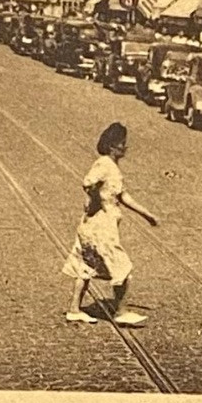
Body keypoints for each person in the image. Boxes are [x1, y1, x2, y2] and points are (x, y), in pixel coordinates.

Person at [61, 122, 159, 327]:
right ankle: (121, 311)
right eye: (123, 144)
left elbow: (122, 195)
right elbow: (88, 183)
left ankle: (74, 310)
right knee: (122, 266)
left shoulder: (111, 166)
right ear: (113, 146)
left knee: (85, 267)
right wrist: (96, 201)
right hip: (100, 228)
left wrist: (146, 214)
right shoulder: (104, 164)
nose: (126, 148)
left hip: (91, 226)